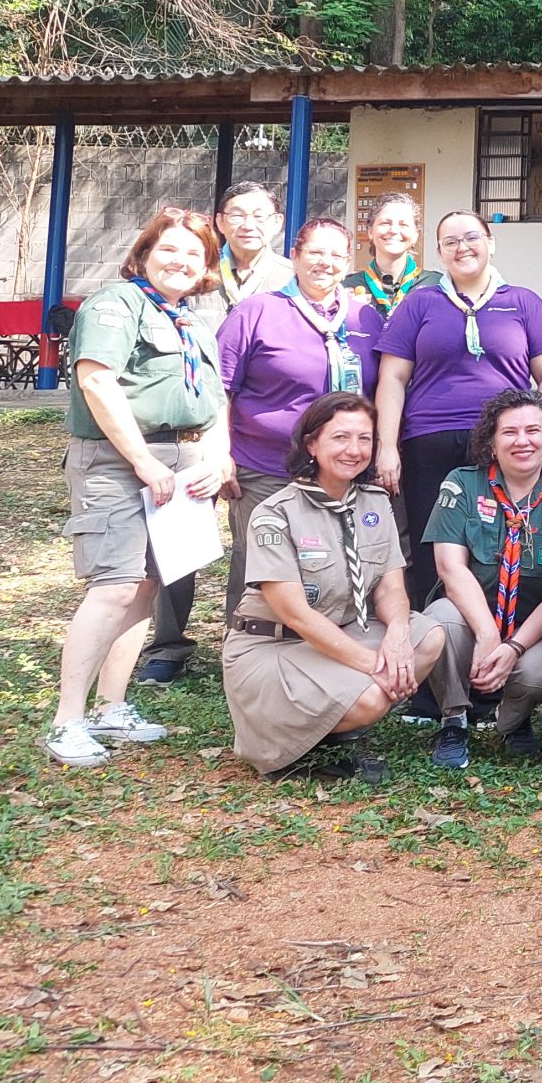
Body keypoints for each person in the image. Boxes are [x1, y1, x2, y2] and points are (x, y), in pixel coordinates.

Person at [139, 216, 385, 686]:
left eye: (336, 254)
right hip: (263, 462)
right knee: (257, 558)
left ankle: (303, 643)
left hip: (337, 470)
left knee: (321, 559)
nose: (325, 262)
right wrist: (221, 452)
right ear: (294, 256)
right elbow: (219, 389)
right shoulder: (257, 311)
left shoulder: (363, 317)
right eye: (315, 252)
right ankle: (240, 648)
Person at [43, 207, 232, 767]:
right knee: (114, 585)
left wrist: (217, 458)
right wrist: (144, 462)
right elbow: (97, 381)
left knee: (148, 585)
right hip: (120, 462)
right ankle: (66, 721)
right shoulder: (115, 304)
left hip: (185, 460)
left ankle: (111, 707)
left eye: (195, 255)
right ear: (143, 255)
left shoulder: (191, 320)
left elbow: (216, 400)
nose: (181, 262)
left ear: (206, 269)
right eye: (169, 250)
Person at [221, 391, 444, 784]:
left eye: (364, 439)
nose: (354, 450)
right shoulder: (274, 514)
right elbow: (295, 613)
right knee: (375, 693)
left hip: (338, 634)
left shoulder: (376, 502)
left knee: (428, 637)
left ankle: (333, 734)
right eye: (340, 438)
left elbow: (391, 586)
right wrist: (376, 666)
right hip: (274, 645)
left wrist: (396, 634)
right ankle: (298, 743)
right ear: (312, 443)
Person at [372, 210, 542, 606]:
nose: (463, 247)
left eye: (472, 237)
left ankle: (501, 626)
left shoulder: (523, 302)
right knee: (433, 542)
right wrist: (387, 446)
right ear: (440, 252)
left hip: (503, 443)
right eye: (451, 241)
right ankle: (436, 631)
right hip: (428, 441)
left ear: (491, 244)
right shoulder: (419, 303)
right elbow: (392, 378)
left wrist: (538, 433)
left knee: (497, 538)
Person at [414, 389, 542, 771]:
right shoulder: (463, 485)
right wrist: (487, 635)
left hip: (533, 627)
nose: (522, 441)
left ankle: (513, 720)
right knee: (438, 622)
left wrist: (514, 646)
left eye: (533, 430)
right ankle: (454, 720)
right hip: (469, 618)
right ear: (491, 440)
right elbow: (450, 568)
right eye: (509, 432)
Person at [203, 181, 295, 313]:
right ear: (220, 222)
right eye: (237, 216)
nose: (248, 226)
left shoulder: (293, 278)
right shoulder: (198, 271)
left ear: (277, 222)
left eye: (259, 216)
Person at [344, 192, 425, 313]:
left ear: (415, 235)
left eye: (403, 224)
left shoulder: (436, 285)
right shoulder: (346, 287)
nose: (394, 230)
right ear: (370, 231)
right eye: (385, 223)